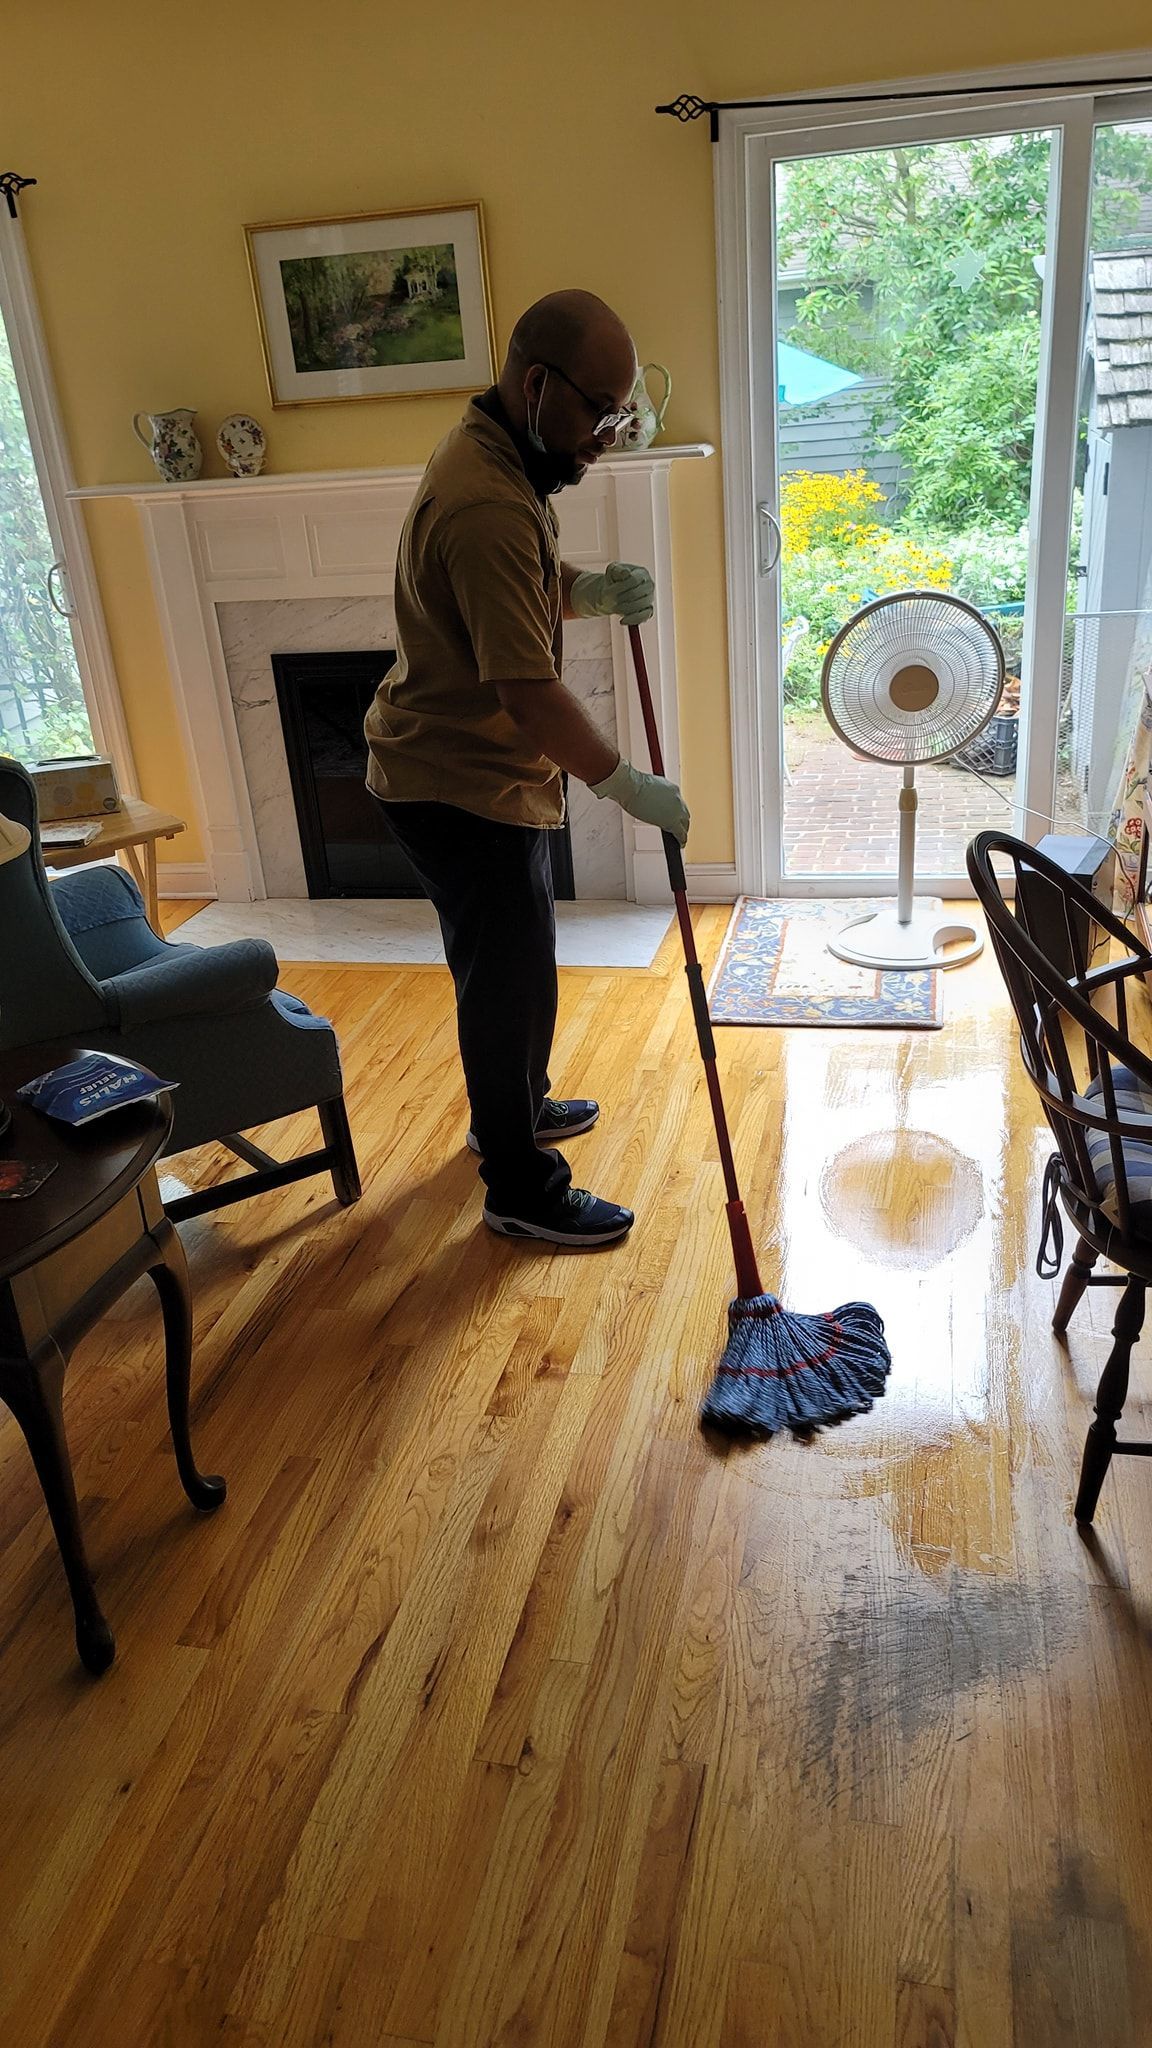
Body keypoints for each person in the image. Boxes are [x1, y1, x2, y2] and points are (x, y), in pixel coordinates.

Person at [364, 289, 690, 1249]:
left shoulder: (503, 453)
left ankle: (519, 1104)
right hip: (452, 780)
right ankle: (519, 1184)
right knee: (503, 988)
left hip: (481, 774)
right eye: (599, 411)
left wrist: (580, 590)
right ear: (537, 383)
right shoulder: (487, 500)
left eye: (620, 415)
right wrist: (627, 785)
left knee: (522, 966)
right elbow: (529, 694)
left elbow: (508, 595)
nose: (606, 436)